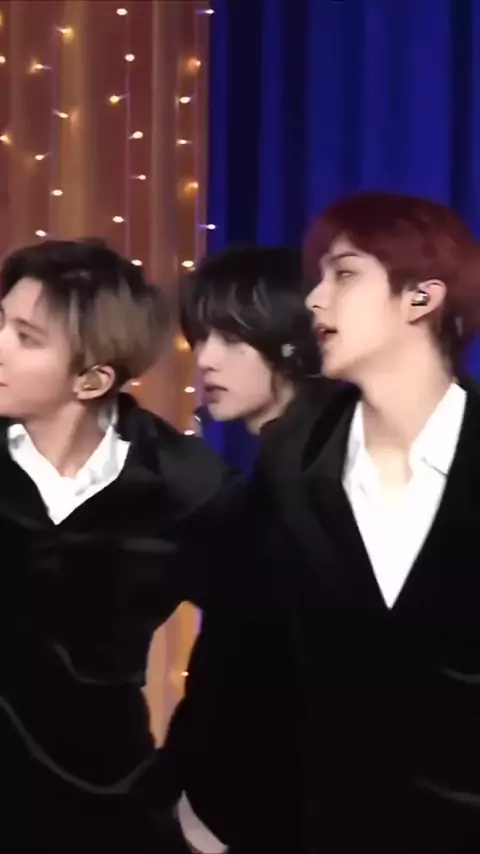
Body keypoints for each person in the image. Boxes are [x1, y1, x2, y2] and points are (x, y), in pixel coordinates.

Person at [251, 191, 480, 854]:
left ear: (422, 297)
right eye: (318, 278)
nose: (316, 300)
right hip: (327, 825)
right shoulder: (291, 457)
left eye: (345, 274)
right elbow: (253, 651)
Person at [0, 238, 240, 853]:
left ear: (92, 379)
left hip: (110, 804)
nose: (0, 345)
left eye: (26, 338)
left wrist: (190, 781)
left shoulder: (185, 484)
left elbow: (253, 646)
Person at [167, 245, 345, 853]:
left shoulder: (312, 468)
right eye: (201, 337)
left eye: (232, 339)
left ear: (289, 340)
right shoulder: (284, 460)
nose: (205, 359)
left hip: (273, 807)